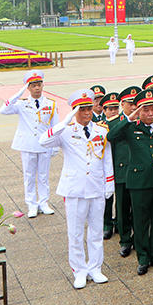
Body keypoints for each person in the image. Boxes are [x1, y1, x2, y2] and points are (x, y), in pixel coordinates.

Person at [40, 89, 114, 289]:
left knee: (96, 232)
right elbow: (43, 141)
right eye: (82, 109)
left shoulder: (101, 130)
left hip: (97, 187)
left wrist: (110, 183)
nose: (87, 113)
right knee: (75, 233)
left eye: (89, 108)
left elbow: (107, 158)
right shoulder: (66, 131)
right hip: (74, 189)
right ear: (74, 111)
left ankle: (95, 268)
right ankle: (79, 271)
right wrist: (64, 122)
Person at [106, 89, 153, 275]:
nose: (150, 113)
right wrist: (130, 117)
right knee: (141, 221)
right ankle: (143, 258)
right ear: (139, 111)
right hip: (138, 182)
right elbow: (110, 137)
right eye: (145, 110)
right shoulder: (130, 126)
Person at [0, 70, 57, 218]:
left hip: (44, 145)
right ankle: (31, 204)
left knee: (43, 176)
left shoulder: (50, 104)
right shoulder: (21, 104)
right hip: (28, 145)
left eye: (39, 84)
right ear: (28, 88)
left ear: (43, 85)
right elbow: (3, 110)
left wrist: (55, 145)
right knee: (29, 175)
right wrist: (18, 93)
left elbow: (54, 126)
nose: (37, 88)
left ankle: (43, 202)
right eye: (33, 85)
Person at [109, 86, 138, 255]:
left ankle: (137, 239)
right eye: (130, 103)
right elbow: (110, 137)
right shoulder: (113, 122)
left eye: (136, 103)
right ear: (122, 104)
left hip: (139, 172)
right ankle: (125, 240)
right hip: (121, 172)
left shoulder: (143, 121)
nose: (134, 107)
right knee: (122, 208)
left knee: (138, 209)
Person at [98, 92, 121, 240]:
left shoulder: (121, 123)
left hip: (119, 164)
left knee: (121, 196)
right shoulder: (100, 126)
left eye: (115, 108)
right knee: (107, 197)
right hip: (105, 166)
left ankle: (119, 221)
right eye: (109, 109)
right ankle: (107, 224)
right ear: (104, 110)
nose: (113, 111)